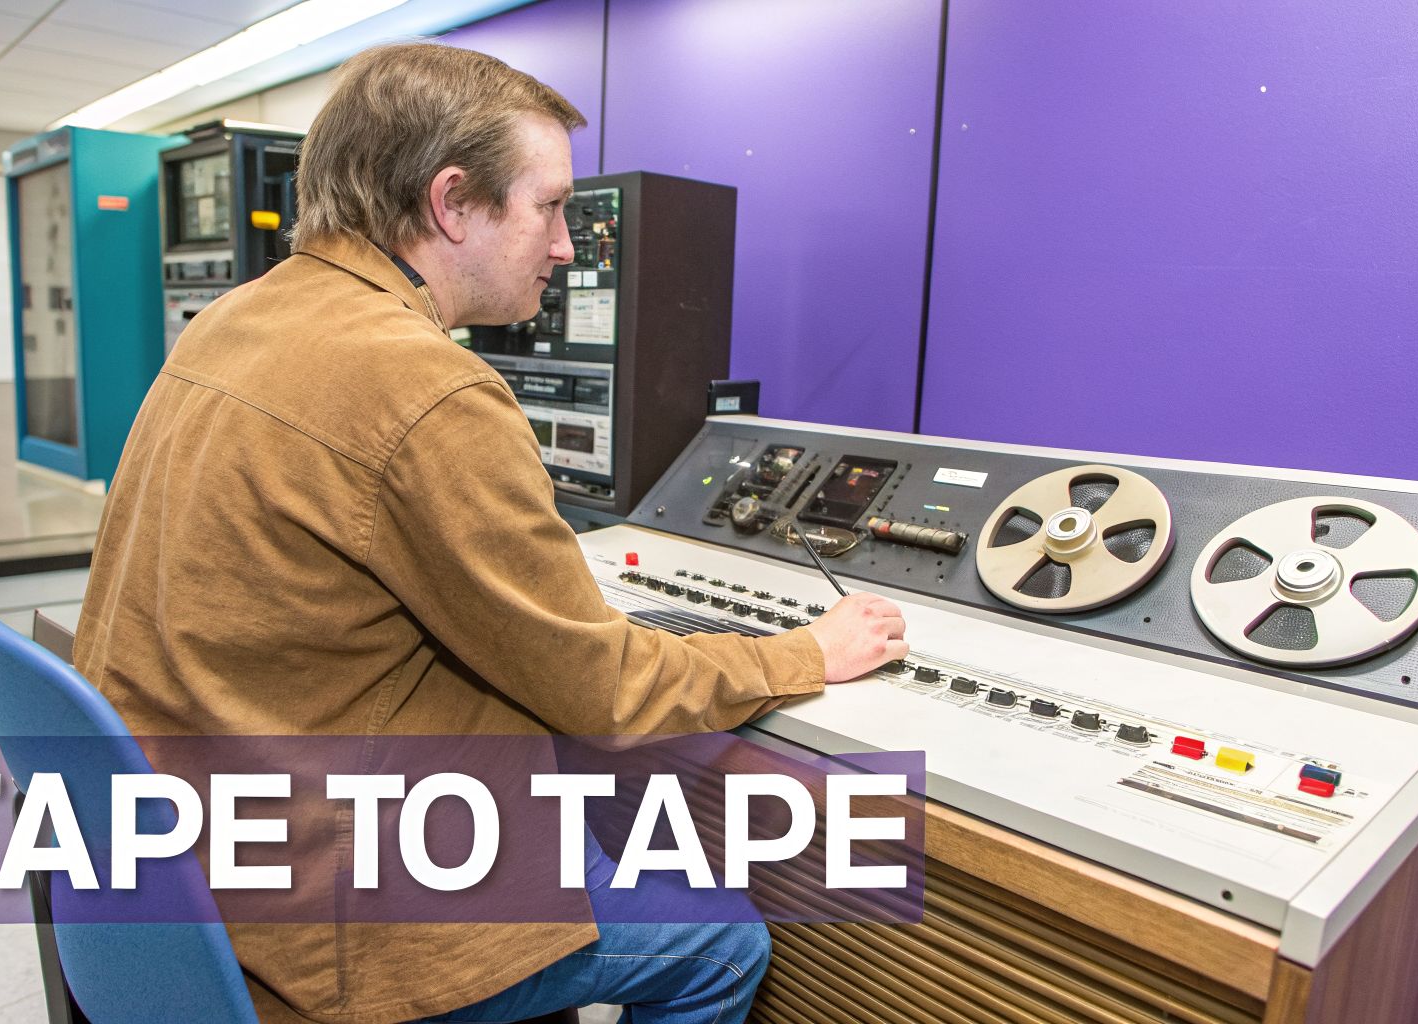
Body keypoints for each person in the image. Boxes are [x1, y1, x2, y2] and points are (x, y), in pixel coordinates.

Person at [73, 43, 909, 1024]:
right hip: (332, 911)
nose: (565, 245)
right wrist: (805, 650)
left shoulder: (234, 317)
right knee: (720, 940)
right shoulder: (427, 385)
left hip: (182, 855)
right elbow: (604, 693)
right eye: (549, 205)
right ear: (452, 202)